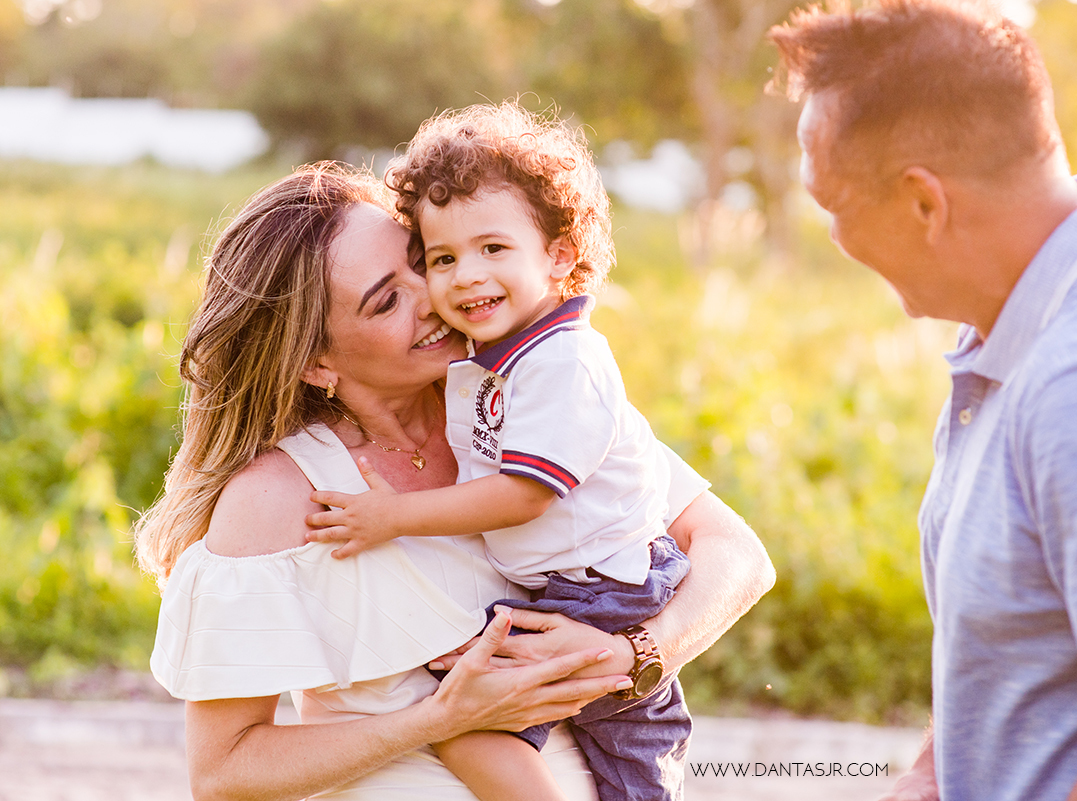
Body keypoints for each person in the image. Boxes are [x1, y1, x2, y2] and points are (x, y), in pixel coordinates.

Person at [133, 161, 775, 801]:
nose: (437, 295)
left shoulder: (520, 395)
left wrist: (635, 654)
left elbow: (737, 554)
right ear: (316, 363)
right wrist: (440, 720)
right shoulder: (281, 497)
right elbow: (223, 773)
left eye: (423, 262)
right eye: (387, 300)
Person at [770, 2, 1077, 800]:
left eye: (833, 205)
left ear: (925, 204)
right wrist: (932, 772)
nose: (831, 236)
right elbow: (1022, 642)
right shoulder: (1023, 322)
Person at [304, 104, 690, 801]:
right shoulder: (500, 359)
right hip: (565, 585)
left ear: (559, 255)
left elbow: (524, 494)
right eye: (443, 259)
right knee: (466, 711)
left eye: (493, 248)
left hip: (603, 589)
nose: (464, 277)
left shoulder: (563, 363)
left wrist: (392, 517)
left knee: (586, 743)